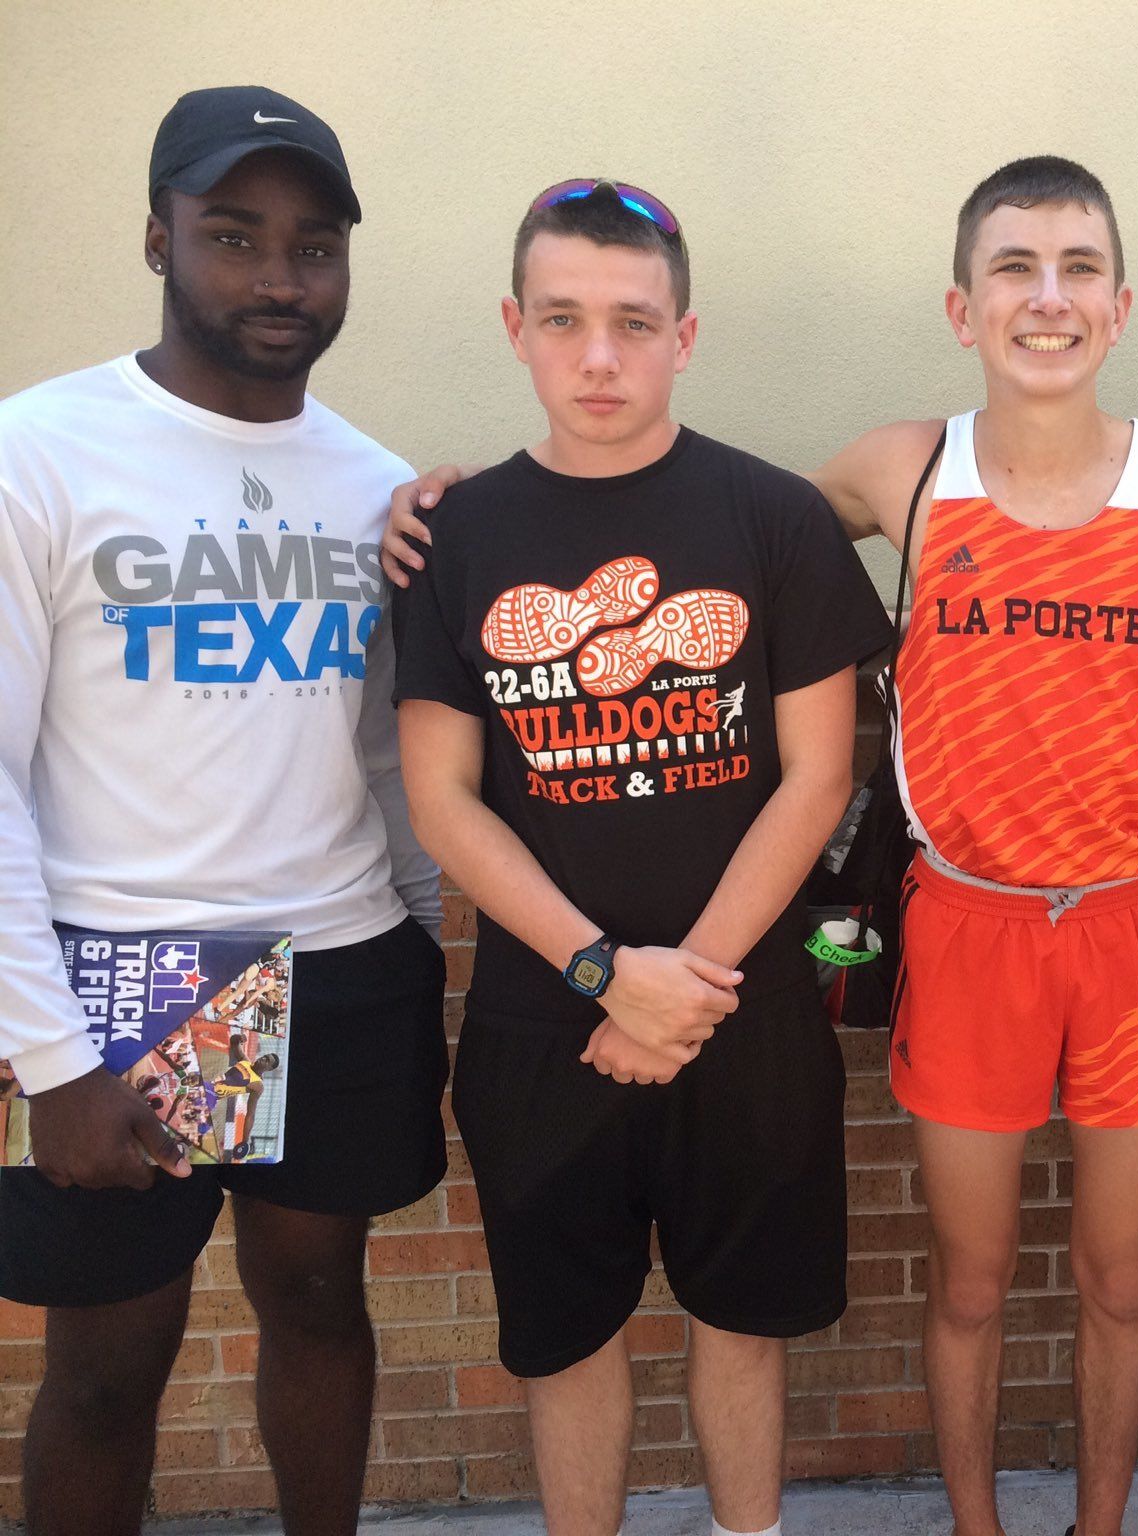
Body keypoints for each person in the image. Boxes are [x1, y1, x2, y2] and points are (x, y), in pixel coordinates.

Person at [382, 155, 1138, 1536]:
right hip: (879, 935)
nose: (1047, 298)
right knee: (923, 1285)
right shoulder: (888, 472)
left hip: (1076, 929)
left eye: (1078, 269)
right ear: (960, 308)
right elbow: (682, 546)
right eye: (1013, 269)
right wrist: (469, 504)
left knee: (1101, 1278)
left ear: (1120, 304)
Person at [389, 178, 891, 1536]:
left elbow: (818, 777)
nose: (598, 356)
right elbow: (442, 800)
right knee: (567, 1341)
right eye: (562, 319)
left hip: (746, 1008)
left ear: (686, 335)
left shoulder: (772, 516)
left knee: (743, 1327)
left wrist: (686, 988)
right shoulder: (457, 537)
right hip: (543, 1013)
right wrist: (610, 975)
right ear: (515, 328)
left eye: (633, 321)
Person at [0, 86, 447, 1536]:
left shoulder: (375, 485)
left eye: (315, 246)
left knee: (320, 1302)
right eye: (235, 235)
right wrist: (50, 1052)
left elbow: (380, 747)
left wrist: (422, 934)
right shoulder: (40, 451)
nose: (278, 278)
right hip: (145, 972)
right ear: (158, 237)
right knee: (109, 1367)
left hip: (340, 958)